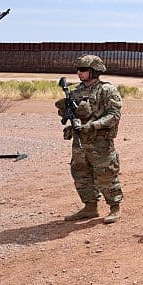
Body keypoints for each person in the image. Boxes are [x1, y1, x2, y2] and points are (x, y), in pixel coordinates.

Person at [56, 55, 124, 224]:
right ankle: (90, 207)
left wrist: (93, 125)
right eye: (78, 70)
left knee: (106, 174)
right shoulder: (76, 92)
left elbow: (114, 115)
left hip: (100, 141)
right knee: (80, 173)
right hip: (80, 141)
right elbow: (69, 114)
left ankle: (115, 208)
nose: (80, 73)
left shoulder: (107, 90)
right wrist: (65, 110)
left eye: (84, 70)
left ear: (94, 71)